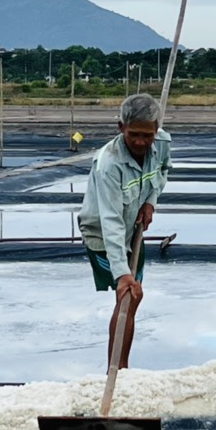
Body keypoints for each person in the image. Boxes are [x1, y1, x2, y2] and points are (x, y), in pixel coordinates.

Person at [77, 93, 172, 369]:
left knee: (133, 299)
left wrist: (150, 202)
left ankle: (121, 369)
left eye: (147, 135)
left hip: (134, 228)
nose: (141, 142)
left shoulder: (163, 143)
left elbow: (164, 170)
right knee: (127, 293)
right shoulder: (109, 164)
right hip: (102, 234)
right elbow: (110, 219)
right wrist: (121, 273)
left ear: (156, 129)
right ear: (120, 128)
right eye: (134, 135)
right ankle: (116, 372)